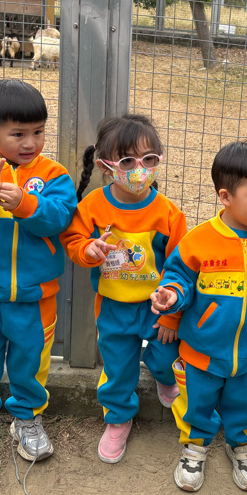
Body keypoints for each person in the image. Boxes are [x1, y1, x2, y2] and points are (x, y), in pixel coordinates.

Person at [0, 80, 78, 477]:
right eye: (18, 134)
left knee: (31, 360)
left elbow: (60, 217)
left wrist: (25, 203)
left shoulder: (54, 175)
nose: (30, 143)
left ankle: (27, 418)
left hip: (36, 295)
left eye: (38, 132)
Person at [150, 141, 247, 493]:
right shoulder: (198, 241)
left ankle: (241, 443)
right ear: (225, 197)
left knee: (246, 403)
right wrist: (171, 299)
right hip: (202, 351)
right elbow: (178, 278)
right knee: (196, 402)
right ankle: (195, 446)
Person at [60, 114, 187, 464]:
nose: (139, 169)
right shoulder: (93, 206)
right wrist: (88, 250)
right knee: (117, 369)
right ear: (106, 166)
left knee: (167, 359)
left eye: (149, 159)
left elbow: (182, 266)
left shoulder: (168, 214)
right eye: (128, 161)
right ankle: (118, 418)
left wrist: (172, 315)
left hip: (158, 308)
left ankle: (162, 376)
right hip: (113, 307)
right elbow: (73, 239)